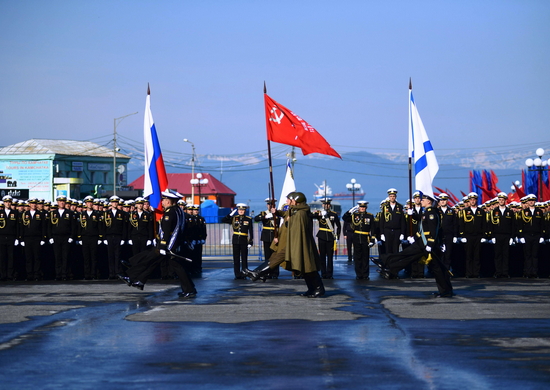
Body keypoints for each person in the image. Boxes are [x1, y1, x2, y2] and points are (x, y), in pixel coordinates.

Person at [118, 190, 196, 298]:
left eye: (163, 200)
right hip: (173, 245)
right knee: (155, 261)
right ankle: (137, 278)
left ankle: (132, 273)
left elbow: (168, 230)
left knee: (153, 259)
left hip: (169, 245)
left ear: (168, 202)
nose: (162, 202)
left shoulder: (170, 213)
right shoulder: (178, 211)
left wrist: (164, 245)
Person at [246, 192, 325, 298]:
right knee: (306, 266)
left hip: (297, 243)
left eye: (289, 199)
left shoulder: (300, 214)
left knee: (307, 266)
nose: (287, 201)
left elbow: (296, 230)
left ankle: (317, 289)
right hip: (293, 243)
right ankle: (314, 288)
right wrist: (277, 212)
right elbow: (286, 215)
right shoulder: (295, 211)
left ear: (295, 201)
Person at [375, 194, 453, 298]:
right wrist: (413, 218)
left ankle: (386, 262)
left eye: (423, 200)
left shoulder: (431, 214)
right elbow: (422, 227)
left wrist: (430, 244)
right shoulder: (428, 212)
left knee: (433, 266)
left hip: (426, 244)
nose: (421, 201)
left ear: (429, 201)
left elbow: (433, 231)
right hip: (422, 242)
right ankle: (388, 266)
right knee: (411, 257)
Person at [342, 200, 375, 280]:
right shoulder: (354, 215)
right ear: (358, 207)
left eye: (364, 207)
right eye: (361, 207)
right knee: (357, 257)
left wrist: (372, 239)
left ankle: (365, 275)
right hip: (356, 237)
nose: (362, 208)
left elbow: (373, 228)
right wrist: (349, 211)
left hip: (365, 238)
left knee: (365, 257)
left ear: (366, 207)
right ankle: (359, 274)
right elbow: (344, 218)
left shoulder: (370, 216)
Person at [48, 195, 76, 280]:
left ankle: (64, 274)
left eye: (63, 201)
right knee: (57, 256)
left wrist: (71, 236)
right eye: (60, 201)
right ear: (57, 202)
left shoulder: (70, 213)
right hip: (56, 237)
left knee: (65, 256)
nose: (62, 203)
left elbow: (73, 226)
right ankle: (58, 274)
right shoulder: (53, 213)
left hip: (66, 237)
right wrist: (50, 237)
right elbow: (49, 226)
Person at [458, 192, 486, 278]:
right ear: (469, 201)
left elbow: (484, 224)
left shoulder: (481, 211)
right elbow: (461, 224)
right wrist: (462, 235)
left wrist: (484, 236)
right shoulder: (465, 211)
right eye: (471, 200)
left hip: (478, 236)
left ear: (476, 200)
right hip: (468, 236)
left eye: (474, 200)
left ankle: (476, 273)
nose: (473, 201)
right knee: (469, 255)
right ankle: (469, 273)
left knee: (477, 255)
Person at [222, 203, 254, 279]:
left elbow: (251, 231)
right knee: (236, 258)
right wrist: (230, 215)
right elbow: (223, 220)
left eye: (242, 210)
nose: (241, 211)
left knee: (244, 257)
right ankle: (237, 274)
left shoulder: (248, 219)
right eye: (239, 210)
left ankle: (244, 272)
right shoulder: (234, 218)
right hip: (236, 239)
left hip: (244, 240)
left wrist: (250, 241)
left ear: (245, 211)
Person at [312, 198, 341, 279]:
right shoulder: (320, 213)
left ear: (330, 205)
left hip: (330, 237)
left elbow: (339, 226)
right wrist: (319, 214)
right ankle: (323, 273)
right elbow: (311, 216)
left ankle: (329, 274)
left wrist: (337, 237)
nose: (326, 206)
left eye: (328, 204)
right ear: (322, 205)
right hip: (321, 236)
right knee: (322, 256)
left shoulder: (334, 214)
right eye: (325, 204)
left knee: (330, 257)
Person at [487, 192, 515, 278]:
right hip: (497, 236)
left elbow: (513, 225)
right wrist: (492, 236)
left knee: (506, 255)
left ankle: (505, 272)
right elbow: (490, 225)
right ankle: (498, 272)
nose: (501, 201)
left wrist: (512, 237)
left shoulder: (509, 212)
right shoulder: (494, 211)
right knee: (498, 255)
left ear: (505, 200)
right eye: (500, 199)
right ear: (498, 200)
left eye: (503, 200)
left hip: (506, 236)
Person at [516, 194, 544, 278]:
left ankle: (534, 272)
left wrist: (542, 236)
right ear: (527, 202)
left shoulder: (539, 212)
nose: (531, 202)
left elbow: (542, 224)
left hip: (536, 235)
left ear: (535, 201)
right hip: (527, 235)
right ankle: (528, 272)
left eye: (533, 200)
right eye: (530, 201)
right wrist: (521, 236)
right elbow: (520, 225)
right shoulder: (524, 212)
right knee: (527, 255)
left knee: (535, 255)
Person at [20, 198, 47, 281]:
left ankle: (36, 274)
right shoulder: (25, 214)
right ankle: (29, 274)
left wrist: (43, 238)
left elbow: (43, 227)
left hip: (37, 238)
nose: (34, 205)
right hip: (27, 238)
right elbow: (21, 227)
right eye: (32, 203)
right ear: (29, 204)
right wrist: (21, 239)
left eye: (35, 203)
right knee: (28, 257)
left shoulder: (40, 214)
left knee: (37, 257)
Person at [77, 195, 104, 280]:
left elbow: (100, 227)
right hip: (85, 237)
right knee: (86, 257)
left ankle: (93, 274)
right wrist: (79, 238)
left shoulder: (96, 214)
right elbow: (79, 227)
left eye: (91, 203)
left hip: (94, 237)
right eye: (88, 202)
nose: (89, 204)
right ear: (85, 204)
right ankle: (87, 274)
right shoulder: (82, 215)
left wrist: (100, 238)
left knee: (94, 256)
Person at [254, 198, 281, 279]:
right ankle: (267, 272)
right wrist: (265, 217)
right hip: (266, 236)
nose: (270, 206)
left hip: (275, 235)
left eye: (272, 204)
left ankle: (275, 273)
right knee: (267, 256)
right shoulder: (263, 213)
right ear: (267, 205)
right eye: (269, 204)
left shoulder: (278, 213)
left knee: (275, 255)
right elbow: (256, 219)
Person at [103, 195, 128, 279]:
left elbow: (124, 227)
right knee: (110, 256)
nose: (115, 204)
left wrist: (123, 238)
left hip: (118, 236)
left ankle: (117, 273)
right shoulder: (106, 213)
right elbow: (103, 227)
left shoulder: (122, 213)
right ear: (110, 203)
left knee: (118, 255)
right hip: (109, 236)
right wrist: (104, 238)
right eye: (113, 202)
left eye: (116, 202)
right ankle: (111, 273)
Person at [378, 188, 406, 254]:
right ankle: (389, 264)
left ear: (396, 197)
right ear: (388, 197)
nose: (392, 198)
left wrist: (402, 233)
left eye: (393, 196)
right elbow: (382, 221)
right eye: (391, 196)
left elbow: (402, 221)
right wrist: (382, 233)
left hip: (397, 231)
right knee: (388, 249)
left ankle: (395, 263)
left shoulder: (400, 207)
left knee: (396, 249)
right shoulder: (385, 207)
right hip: (387, 231)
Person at [0, 196, 20, 281]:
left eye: (9, 202)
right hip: (1, 237)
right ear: (4, 203)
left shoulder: (15, 213)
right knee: (2, 257)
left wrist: (17, 238)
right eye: (6, 202)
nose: (8, 203)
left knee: (11, 257)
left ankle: (10, 275)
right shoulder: (0, 212)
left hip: (11, 237)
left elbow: (17, 226)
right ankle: (2, 275)